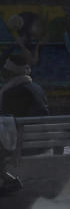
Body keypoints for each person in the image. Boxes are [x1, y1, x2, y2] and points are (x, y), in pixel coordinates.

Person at [0, 50, 49, 194]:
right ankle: (10, 180)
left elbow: (5, 121)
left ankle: (9, 180)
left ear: (11, 73)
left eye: (6, 72)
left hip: (21, 145)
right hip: (42, 143)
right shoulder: (37, 88)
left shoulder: (12, 92)